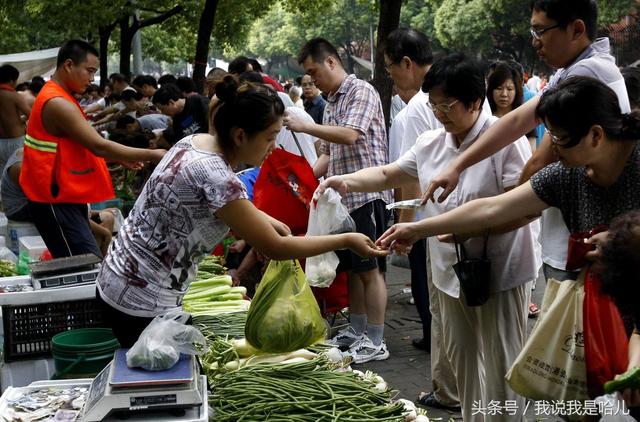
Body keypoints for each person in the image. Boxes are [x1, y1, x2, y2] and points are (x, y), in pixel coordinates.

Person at [377, 76, 640, 418]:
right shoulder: (568, 174)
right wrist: (418, 228)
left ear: (595, 135)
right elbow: (493, 207)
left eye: (559, 138)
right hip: (604, 316)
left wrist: (623, 241)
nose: (551, 149)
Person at [322, 53, 538, 420]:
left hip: (501, 269)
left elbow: (518, 207)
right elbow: (390, 173)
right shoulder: (432, 142)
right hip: (448, 272)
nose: (439, 112)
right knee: (464, 359)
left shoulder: (505, 141)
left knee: (503, 361)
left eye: (447, 105)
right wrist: (342, 181)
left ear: (474, 102)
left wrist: (461, 228)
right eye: (434, 104)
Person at [96, 76, 387, 347]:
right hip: (141, 301)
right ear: (240, 135)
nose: (273, 147)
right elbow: (276, 247)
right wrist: (346, 239)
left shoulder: (193, 143)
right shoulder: (219, 179)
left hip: (118, 277)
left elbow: (223, 206)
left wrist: (268, 219)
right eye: (270, 137)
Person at [423, 0, 630, 289]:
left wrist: (511, 209)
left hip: (587, 248)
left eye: (540, 31)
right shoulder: (574, 69)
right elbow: (520, 121)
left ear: (576, 29)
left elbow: (536, 163)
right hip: (578, 236)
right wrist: (459, 165)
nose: (535, 42)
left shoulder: (587, 74)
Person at [283, 38, 392, 364]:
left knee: (371, 271)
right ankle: (357, 332)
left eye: (314, 72)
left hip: (368, 197)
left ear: (331, 62)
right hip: (344, 202)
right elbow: (328, 156)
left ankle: (376, 339)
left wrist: (307, 126)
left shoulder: (362, 91)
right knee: (354, 272)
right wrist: (302, 185)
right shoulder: (332, 103)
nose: (312, 80)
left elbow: (350, 135)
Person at [19, 40, 165, 259]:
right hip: (52, 198)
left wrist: (120, 157)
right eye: (89, 71)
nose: (91, 79)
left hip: (61, 194)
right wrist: (153, 153)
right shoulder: (57, 102)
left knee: (85, 259)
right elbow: (99, 145)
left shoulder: (60, 95)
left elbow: (80, 144)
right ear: (69, 65)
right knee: (81, 263)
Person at [382, 26, 437, 379]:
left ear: (406, 63)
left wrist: (405, 222)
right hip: (452, 209)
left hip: (428, 211)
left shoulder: (414, 109)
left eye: (389, 67)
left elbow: (407, 174)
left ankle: (434, 338)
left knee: (424, 276)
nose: (389, 74)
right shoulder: (459, 89)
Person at [0, 64, 31, 173]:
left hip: (1, 142)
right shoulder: (13, 96)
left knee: (3, 179)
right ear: (12, 80)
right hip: (16, 141)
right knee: (20, 176)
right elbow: (31, 114)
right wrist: (21, 120)